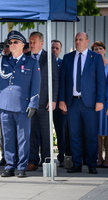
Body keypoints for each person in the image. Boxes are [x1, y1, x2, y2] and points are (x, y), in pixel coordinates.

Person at [0, 30, 41, 178]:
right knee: (8, 137)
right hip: (4, 104)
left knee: (23, 138)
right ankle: (9, 166)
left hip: (22, 105)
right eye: (10, 42)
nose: (12, 45)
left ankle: (21, 166)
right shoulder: (3, 60)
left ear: (23, 45)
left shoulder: (31, 62)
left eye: (16, 42)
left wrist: (33, 104)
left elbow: (36, 85)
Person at [59, 32, 106, 174]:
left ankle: (92, 164)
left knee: (91, 135)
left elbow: (101, 81)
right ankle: (77, 164)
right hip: (73, 103)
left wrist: (100, 100)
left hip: (90, 104)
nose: (78, 42)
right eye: (76, 40)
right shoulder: (68, 58)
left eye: (81, 39)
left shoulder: (96, 58)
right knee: (74, 135)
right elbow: (63, 81)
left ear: (87, 41)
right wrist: (62, 99)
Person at [26, 32, 59, 171]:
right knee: (32, 133)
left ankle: (47, 160)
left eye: (34, 42)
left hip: (45, 102)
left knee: (46, 134)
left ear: (41, 43)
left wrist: (53, 100)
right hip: (30, 103)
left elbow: (55, 80)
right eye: (30, 42)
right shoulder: (26, 57)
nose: (32, 44)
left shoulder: (49, 57)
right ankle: (33, 160)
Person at [91, 41, 108, 168]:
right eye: (95, 49)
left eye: (100, 48)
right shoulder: (91, 65)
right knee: (96, 132)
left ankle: (107, 158)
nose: (98, 51)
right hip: (95, 103)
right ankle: (98, 158)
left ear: (104, 50)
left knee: (107, 133)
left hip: (107, 103)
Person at [51, 39, 67, 167]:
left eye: (57, 48)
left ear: (60, 50)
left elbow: (65, 85)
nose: (54, 50)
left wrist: (63, 102)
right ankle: (44, 158)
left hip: (59, 103)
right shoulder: (43, 63)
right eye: (52, 48)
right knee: (41, 132)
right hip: (45, 103)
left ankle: (62, 157)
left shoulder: (63, 64)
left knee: (61, 131)